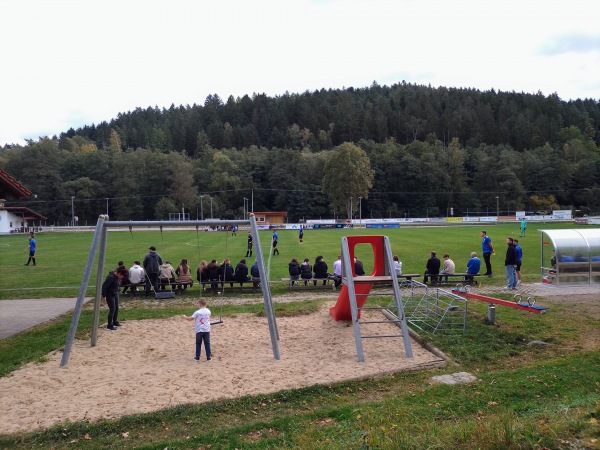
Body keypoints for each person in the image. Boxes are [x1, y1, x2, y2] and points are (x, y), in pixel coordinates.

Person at [101, 265, 129, 330]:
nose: (122, 278)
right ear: (119, 273)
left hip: (115, 294)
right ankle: (109, 325)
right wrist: (104, 295)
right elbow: (104, 286)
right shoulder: (111, 277)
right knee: (112, 309)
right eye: (122, 276)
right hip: (109, 295)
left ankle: (115, 322)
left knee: (116, 308)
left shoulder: (117, 278)